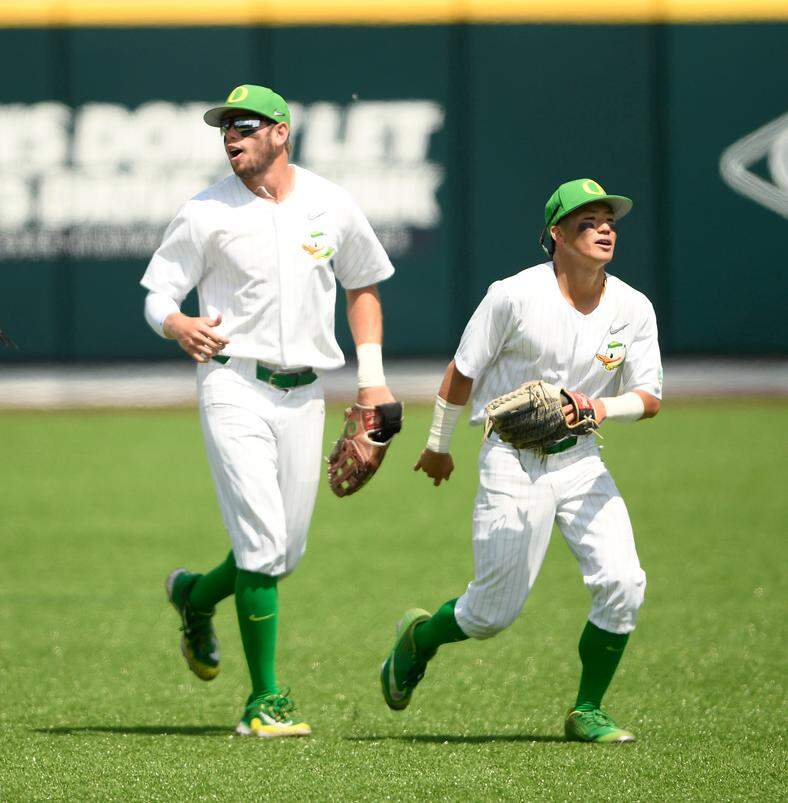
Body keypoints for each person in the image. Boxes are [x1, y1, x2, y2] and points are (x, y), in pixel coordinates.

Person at [141, 84, 397, 737]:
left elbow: (362, 284)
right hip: (233, 383)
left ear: (281, 132)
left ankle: (195, 598)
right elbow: (157, 292)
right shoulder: (205, 211)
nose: (232, 136)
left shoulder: (329, 203)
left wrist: (372, 382)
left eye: (246, 125)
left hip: (306, 391)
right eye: (225, 128)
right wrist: (176, 323)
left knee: (283, 552)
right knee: (259, 543)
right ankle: (266, 701)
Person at [380, 178, 663, 743]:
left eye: (609, 219)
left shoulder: (633, 307)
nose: (605, 228)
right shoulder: (513, 295)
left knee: (624, 582)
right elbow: (462, 372)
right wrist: (438, 446)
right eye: (588, 221)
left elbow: (649, 398)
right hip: (512, 459)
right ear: (556, 234)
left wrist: (599, 408)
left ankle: (588, 709)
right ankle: (420, 639)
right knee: (490, 614)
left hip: (581, 460)